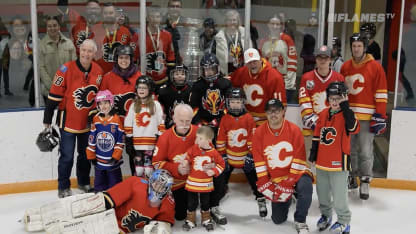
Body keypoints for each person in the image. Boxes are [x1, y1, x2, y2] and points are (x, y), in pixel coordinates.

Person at [23, 169, 175, 234]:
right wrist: (85, 211)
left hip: (117, 230)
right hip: (105, 212)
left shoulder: (167, 202)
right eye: (157, 183)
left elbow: (164, 223)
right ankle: (42, 216)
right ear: (150, 181)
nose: (158, 187)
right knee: (76, 209)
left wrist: (159, 228)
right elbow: (107, 199)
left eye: (163, 186)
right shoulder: (136, 183)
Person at [43, 39, 103, 198]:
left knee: (85, 155)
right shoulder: (65, 69)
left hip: (87, 122)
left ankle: (83, 182)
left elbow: (99, 99)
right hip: (68, 121)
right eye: (84, 50)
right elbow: (54, 96)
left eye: (90, 51)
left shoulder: (98, 70)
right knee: (67, 155)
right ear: (79, 51)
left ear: (94, 53)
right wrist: (47, 118)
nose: (86, 53)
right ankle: (63, 186)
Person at [252, 98, 313, 234]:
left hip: (297, 173)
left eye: (276, 111)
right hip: (277, 178)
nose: (273, 114)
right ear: (266, 114)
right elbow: (259, 159)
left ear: (283, 111)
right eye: (269, 111)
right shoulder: (259, 133)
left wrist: (289, 182)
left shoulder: (294, 130)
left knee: (305, 187)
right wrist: (263, 180)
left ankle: (300, 220)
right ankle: (289, 197)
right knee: (277, 219)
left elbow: (299, 158)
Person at [340, 33, 388, 200]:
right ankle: (352, 176)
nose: (356, 48)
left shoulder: (375, 67)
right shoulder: (345, 66)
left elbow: (381, 93)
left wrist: (380, 115)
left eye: (359, 46)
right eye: (354, 46)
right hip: (350, 117)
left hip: (368, 118)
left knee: (366, 151)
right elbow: (341, 93)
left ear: (364, 47)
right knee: (350, 149)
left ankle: (365, 179)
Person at [309, 82, 359, 234]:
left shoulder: (348, 114)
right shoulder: (324, 113)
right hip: (322, 163)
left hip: (339, 163)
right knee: (322, 193)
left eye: (338, 98)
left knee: (339, 196)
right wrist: (313, 153)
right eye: (332, 98)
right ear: (328, 99)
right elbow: (317, 135)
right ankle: (326, 215)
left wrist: (346, 107)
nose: (335, 102)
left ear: (345, 98)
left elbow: (353, 128)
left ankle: (344, 221)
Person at [216, 87, 267, 218]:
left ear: (243, 102)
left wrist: (250, 156)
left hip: (245, 159)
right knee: (220, 181)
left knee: (256, 181)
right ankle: (214, 202)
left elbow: (252, 139)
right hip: (229, 158)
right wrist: (223, 156)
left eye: (238, 102)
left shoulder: (249, 118)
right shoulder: (225, 118)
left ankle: (261, 199)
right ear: (227, 102)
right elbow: (221, 139)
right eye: (232, 101)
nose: (235, 104)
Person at [152, 103, 197, 221]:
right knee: (180, 216)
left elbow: (210, 153)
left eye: (188, 121)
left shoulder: (198, 133)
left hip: (195, 180)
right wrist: (176, 168)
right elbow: (156, 163)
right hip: (177, 183)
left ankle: (211, 207)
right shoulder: (165, 137)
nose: (185, 125)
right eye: (181, 121)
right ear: (174, 118)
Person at [298, 45, 344, 155]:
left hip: (332, 129)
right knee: (310, 162)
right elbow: (304, 102)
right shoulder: (306, 78)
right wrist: (316, 124)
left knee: (328, 160)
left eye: (326, 58)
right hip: (311, 129)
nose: (322, 61)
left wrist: (331, 123)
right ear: (316, 59)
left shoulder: (339, 78)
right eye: (319, 58)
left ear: (330, 60)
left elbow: (342, 104)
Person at [183, 126, 225, 231]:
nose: (197, 140)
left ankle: (206, 219)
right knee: (191, 202)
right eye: (197, 137)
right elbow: (188, 156)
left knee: (205, 202)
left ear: (209, 140)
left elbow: (222, 164)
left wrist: (214, 171)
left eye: (200, 138)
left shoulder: (214, 152)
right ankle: (190, 220)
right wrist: (185, 162)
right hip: (193, 182)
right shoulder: (194, 148)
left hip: (205, 184)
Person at [230, 48, 286, 126]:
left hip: (266, 122)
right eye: (249, 62)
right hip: (245, 120)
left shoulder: (274, 76)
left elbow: (280, 106)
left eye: (255, 62)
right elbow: (230, 85)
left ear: (260, 60)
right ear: (246, 64)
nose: (252, 65)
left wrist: (274, 124)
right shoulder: (240, 73)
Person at [124, 76, 165, 178]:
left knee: (149, 170)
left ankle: (150, 190)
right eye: (139, 87)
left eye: (144, 88)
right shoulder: (134, 106)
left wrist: (160, 139)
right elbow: (128, 123)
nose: (141, 90)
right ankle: (139, 190)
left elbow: (160, 123)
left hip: (151, 145)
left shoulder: (156, 105)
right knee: (138, 170)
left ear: (150, 89)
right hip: (137, 145)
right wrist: (129, 140)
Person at [86, 90, 124, 192]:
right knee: (99, 183)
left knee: (115, 185)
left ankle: (115, 200)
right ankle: (99, 201)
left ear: (111, 103)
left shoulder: (116, 120)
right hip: (99, 159)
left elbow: (120, 141)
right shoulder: (96, 119)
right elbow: (92, 139)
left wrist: (116, 156)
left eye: (106, 103)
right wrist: (91, 155)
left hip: (112, 160)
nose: (103, 106)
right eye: (100, 103)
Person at [259, 15, 298, 103]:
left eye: (277, 24)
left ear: (281, 26)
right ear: (268, 25)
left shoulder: (287, 39)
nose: (275, 26)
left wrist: (289, 84)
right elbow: (261, 65)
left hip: (284, 84)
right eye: (272, 24)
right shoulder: (264, 41)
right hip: (268, 84)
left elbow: (292, 63)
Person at [39, 15, 77, 103]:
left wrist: (68, 85)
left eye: (55, 25)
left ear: (59, 26)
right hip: (49, 92)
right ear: (46, 28)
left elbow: (74, 66)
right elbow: (41, 68)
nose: (52, 28)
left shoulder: (69, 43)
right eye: (49, 26)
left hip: (67, 90)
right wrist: (53, 87)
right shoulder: (41, 46)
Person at [100, 45, 142, 121]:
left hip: (135, 122)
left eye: (126, 58)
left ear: (131, 59)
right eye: (121, 57)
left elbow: (149, 99)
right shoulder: (107, 78)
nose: (124, 61)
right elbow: (101, 101)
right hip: (114, 123)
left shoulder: (139, 77)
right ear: (116, 59)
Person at [143, 6, 175, 92]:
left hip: (163, 80)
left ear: (161, 18)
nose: (155, 20)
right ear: (148, 18)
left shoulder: (167, 35)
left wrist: (170, 79)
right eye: (152, 17)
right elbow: (135, 60)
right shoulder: (140, 36)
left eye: (157, 17)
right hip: (145, 81)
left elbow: (170, 59)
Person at [94, 2, 132, 73]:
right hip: (99, 74)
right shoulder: (95, 29)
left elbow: (130, 56)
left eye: (111, 13)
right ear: (102, 15)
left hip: (120, 74)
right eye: (105, 13)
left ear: (116, 14)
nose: (108, 15)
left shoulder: (125, 32)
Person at [215, 9, 252, 75]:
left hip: (243, 70)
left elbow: (250, 52)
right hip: (226, 71)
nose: (232, 22)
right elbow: (217, 57)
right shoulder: (219, 36)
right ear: (226, 21)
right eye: (229, 20)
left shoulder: (245, 34)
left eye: (234, 20)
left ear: (238, 21)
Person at [158, 64, 192, 129]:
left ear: (186, 76)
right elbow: (160, 106)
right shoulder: (164, 91)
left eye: (182, 74)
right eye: (176, 74)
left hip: (187, 124)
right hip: (168, 124)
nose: (179, 76)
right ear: (172, 76)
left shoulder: (191, 90)